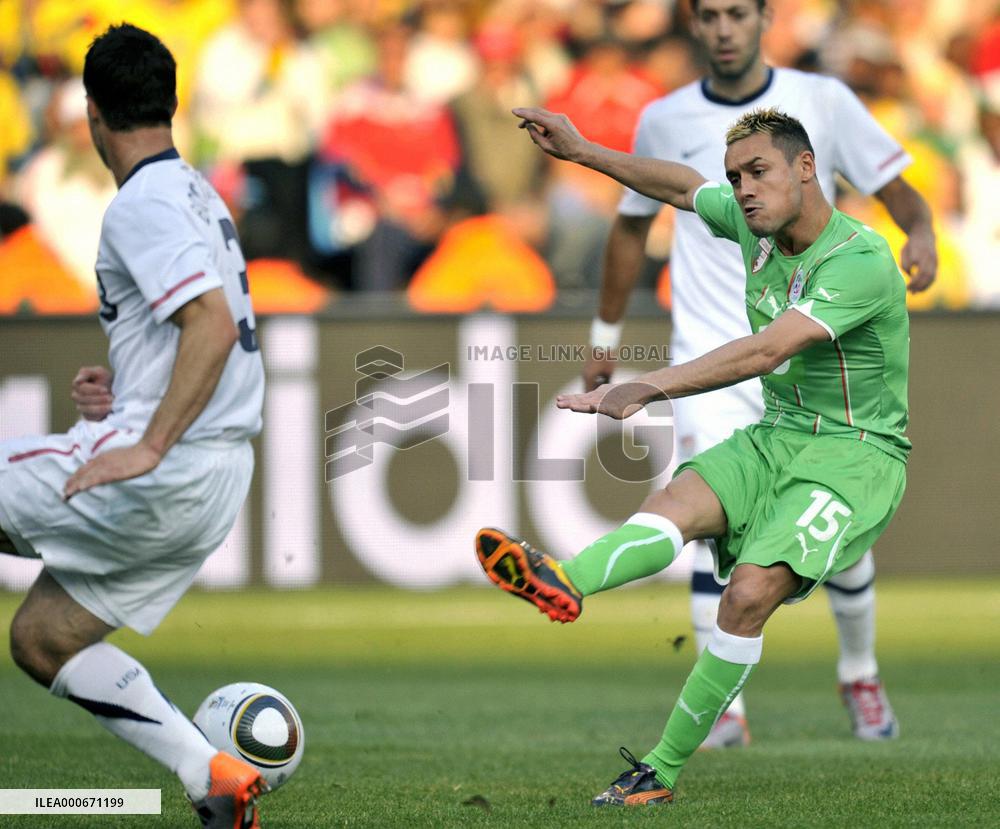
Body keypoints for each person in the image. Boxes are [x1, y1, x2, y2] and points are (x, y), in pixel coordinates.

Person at [477, 104, 910, 805]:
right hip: (779, 433)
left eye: (758, 172)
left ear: (806, 168)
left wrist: (648, 385)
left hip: (856, 458)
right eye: (735, 175)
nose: (742, 188)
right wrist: (585, 150)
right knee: (674, 504)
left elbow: (768, 349)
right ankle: (564, 579)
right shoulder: (753, 221)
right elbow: (680, 187)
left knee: (747, 594)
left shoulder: (859, 260)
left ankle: (661, 769)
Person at [580, 0, 937, 747]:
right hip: (714, 349)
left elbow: (892, 180)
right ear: (692, 22)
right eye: (708, 15)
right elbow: (649, 208)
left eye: (736, 13)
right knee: (702, 524)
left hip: (807, 359)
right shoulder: (665, 116)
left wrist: (923, 228)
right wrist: (605, 334)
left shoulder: (822, 102)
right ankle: (724, 707)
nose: (723, 28)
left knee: (834, 545)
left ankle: (860, 672)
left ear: (764, 18)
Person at [0, 24, 268, 828]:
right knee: (44, 637)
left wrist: (146, 439)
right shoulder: (196, 192)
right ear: (172, 103)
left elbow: (213, 327)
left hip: (164, 465)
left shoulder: (142, 204)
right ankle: (211, 775)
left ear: (89, 111)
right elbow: (203, 334)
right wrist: (132, 398)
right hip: (214, 477)